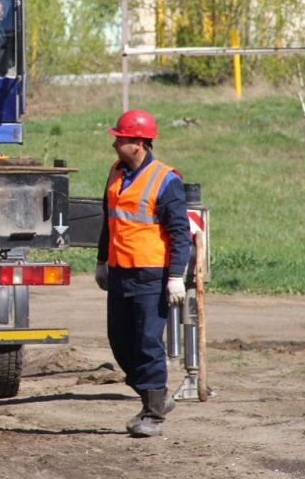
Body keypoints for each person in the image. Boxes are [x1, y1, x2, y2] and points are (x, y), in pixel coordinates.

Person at [95, 109, 192, 438]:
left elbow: (180, 233)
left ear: (138, 143)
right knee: (120, 340)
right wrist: (101, 262)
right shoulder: (115, 173)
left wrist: (176, 275)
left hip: (151, 274)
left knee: (149, 342)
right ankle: (156, 396)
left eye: (119, 139)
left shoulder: (166, 179)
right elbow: (108, 222)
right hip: (120, 272)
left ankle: (153, 415)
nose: (114, 144)